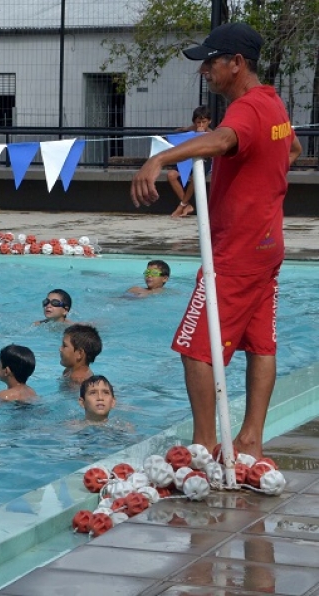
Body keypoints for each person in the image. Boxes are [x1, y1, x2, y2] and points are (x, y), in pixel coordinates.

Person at [131, 22, 302, 458]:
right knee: (261, 344)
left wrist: (161, 157)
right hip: (267, 245)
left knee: (195, 348)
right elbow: (293, 150)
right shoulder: (274, 105)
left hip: (236, 253)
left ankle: (205, 446)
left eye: (211, 62)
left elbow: (225, 138)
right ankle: (249, 440)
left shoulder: (246, 109)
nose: (204, 70)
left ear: (237, 64)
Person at [168, 106, 212, 218]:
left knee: (195, 177)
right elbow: (179, 132)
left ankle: (181, 205)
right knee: (171, 175)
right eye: (198, 122)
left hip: (205, 160)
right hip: (189, 160)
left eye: (204, 122)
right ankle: (187, 205)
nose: (201, 125)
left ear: (209, 122)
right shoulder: (192, 129)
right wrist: (181, 131)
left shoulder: (212, 134)